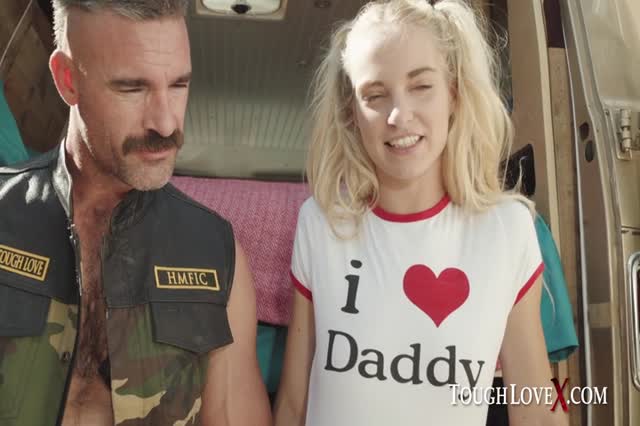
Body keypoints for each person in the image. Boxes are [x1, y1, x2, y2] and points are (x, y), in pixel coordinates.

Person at [274, 1, 569, 425]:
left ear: (454, 94)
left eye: (421, 86)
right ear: (351, 113)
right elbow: (293, 404)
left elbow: (537, 412)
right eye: (375, 95)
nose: (399, 115)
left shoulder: (509, 231)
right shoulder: (321, 224)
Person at [0, 1, 271, 425]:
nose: (166, 124)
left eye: (179, 85)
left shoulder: (216, 255)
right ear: (68, 80)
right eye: (132, 88)